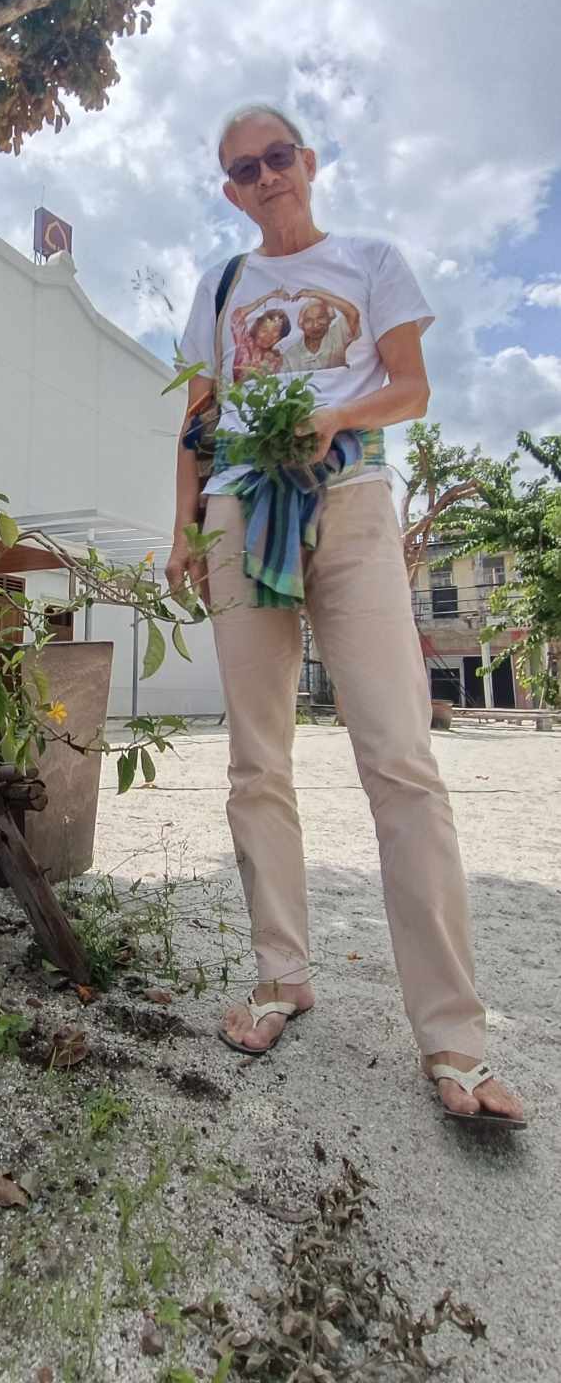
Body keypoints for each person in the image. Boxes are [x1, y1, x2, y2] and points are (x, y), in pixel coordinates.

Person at [165, 103, 526, 1129]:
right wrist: (183, 526)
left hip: (352, 501)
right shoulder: (221, 286)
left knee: (400, 758)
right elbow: (197, 418)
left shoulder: (370, 260)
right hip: (239, 507)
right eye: (244, 169)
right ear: (229, 190)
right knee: (256, 758)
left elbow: (410, 388)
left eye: (277, 157)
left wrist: (333, 414)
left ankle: (454, 1038)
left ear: (309, 161)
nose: (266, 177)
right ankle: (281, 974)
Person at [280, 289, 361, 372]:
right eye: (308, 320)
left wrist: (314, 294)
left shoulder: (338, 334)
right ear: (301, 325)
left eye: (321, 318)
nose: (315, 325)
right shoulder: (290, 356)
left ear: (330, 319)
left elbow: (352, 313)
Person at [230, 304, 291, 376]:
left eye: (275, 335)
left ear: (280, 338)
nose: (268, 338)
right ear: (257, 327)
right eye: (264, 331)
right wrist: (264, 298)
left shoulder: (275, 359)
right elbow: (237, 315)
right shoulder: (244, 341)